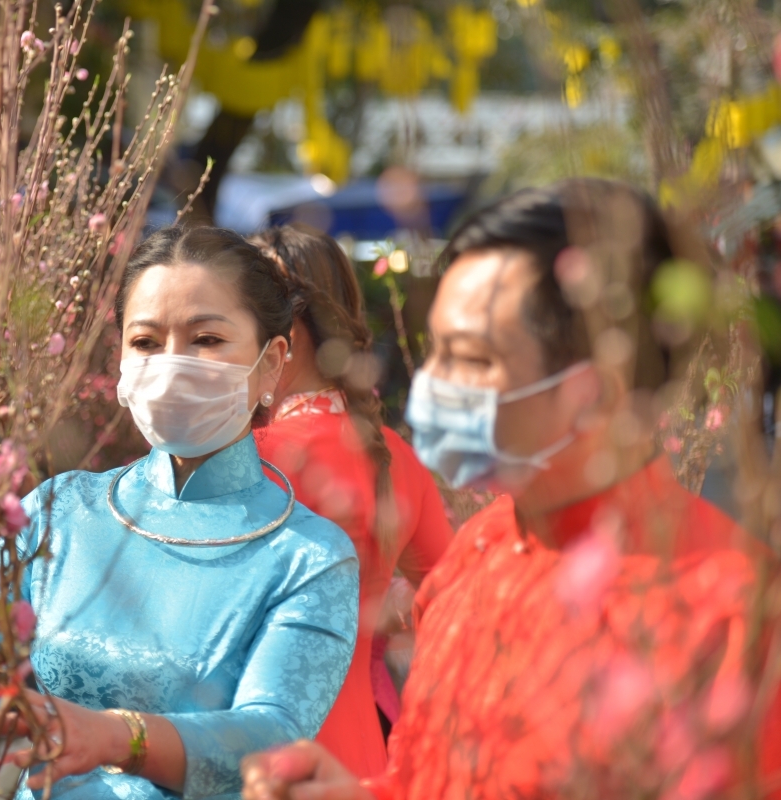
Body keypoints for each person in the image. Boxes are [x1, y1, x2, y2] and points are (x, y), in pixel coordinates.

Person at [240, 179, 781, 799]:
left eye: (470, 359)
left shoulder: (731, 617)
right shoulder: (477, 554)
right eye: (434, 352)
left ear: (596, 388)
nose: (433, 385)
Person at [0, 226, 360, 800]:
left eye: (206, 339)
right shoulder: (59, 510)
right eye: (146, 342)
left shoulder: (309, 557)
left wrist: (122, 737)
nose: (172, 365)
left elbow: (273, 740)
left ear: (272, 364)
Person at [249, 226, 452, 778]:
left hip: (263, 760)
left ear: (286, 326)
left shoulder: (251, 461)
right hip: (365, 763)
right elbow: (457, 597)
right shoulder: (396, 455)